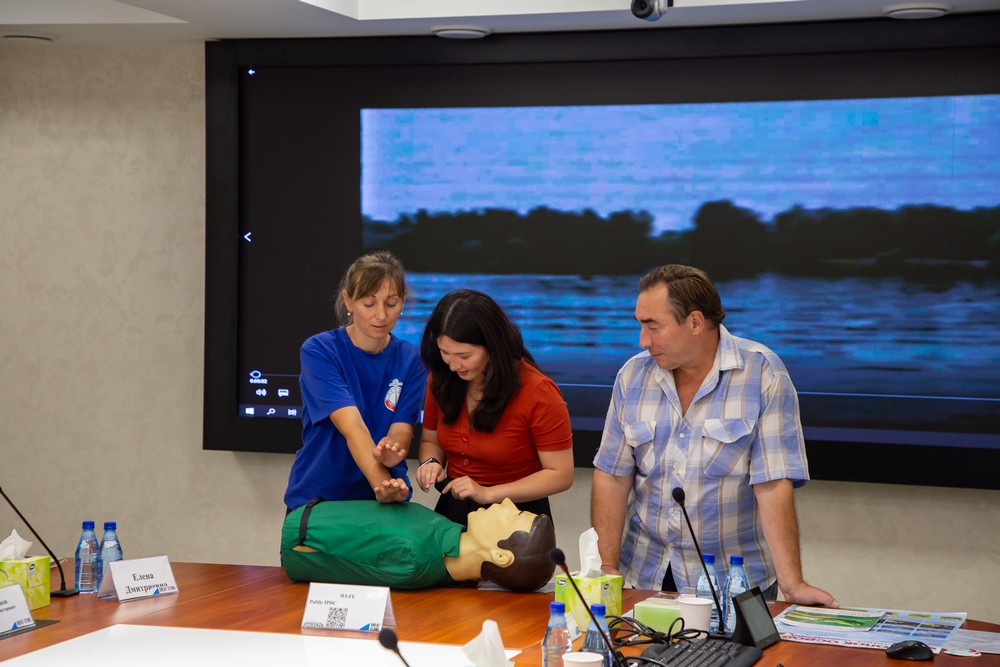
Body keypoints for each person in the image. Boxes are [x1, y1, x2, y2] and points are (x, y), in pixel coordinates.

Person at [591, 265, 837, 607]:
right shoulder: (633, 375)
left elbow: (772, 483)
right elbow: (612, 475)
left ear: (695, 322)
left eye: (653, 326)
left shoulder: (762, 374)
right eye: (640, 325)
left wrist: (792, 584)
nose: (643, 341)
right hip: (645, 572)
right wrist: (606, 566)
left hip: (734, 581)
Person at [283, 251, 428, 511]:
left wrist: (393, 449)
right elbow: (353, 427)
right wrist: (382, 484)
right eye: (369, 304)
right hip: (322, 499)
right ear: (348, 301)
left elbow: (402, 428)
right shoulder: (319, 351)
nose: (381, 315)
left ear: (402, 303)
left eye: (391, 303)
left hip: (385, 502)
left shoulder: (411, 359)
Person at [415, 289, 574, 525]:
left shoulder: (538, 391)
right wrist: (431, 463)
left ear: (492, 345)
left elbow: (561, 474)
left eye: (464, 356)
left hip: (517, 517)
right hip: (454, 510)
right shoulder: (441, 378)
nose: (453, 365)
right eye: (445, 353)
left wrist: (488, 493)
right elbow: (431, 441)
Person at [281, 498, 556, 592]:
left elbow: (321, 552)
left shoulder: (412, 556)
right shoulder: (444, 534)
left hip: (301, 531)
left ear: (500, 555)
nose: (506, 503)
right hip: (306, 520)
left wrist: (300, 539)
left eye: (513, 515)